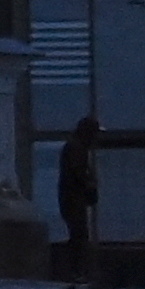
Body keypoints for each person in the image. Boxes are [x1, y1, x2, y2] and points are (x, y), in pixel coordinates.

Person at [56, 112, 102, 279]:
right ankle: (75, 271)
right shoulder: (76, 148)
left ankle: (76, 270)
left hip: (72, 199)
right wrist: (90, 186)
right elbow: (79, 174)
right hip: (73, 200)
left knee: (78, 234)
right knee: (79, 235)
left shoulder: (75, 147)